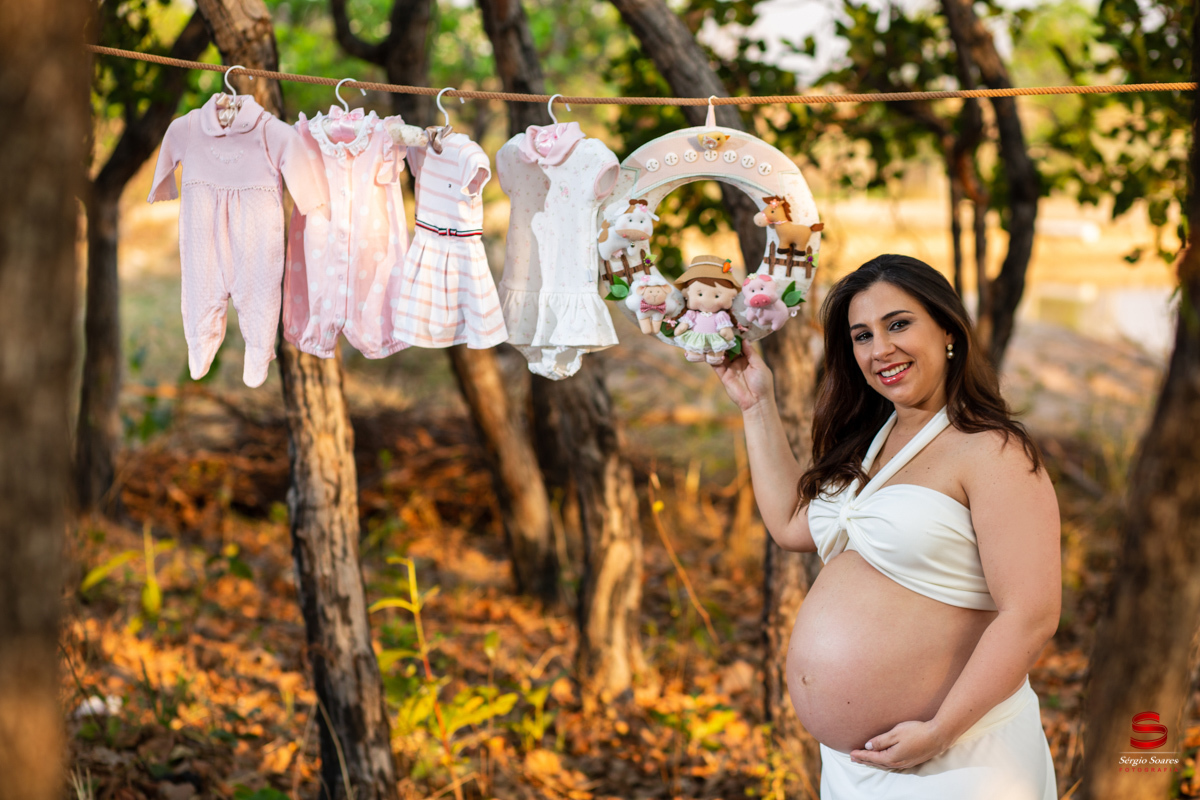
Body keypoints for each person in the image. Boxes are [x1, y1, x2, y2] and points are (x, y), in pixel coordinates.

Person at [714, 254, 1060, 798]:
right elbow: (790, 524)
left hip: (956, 758)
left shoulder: (993, 451)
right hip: (850, 769)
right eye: (862, 336)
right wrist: (756, 403)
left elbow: (1031, 616)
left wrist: (940, 731)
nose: (880, 350)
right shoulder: (869, 443)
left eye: (898, 324)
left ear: (948, 329)